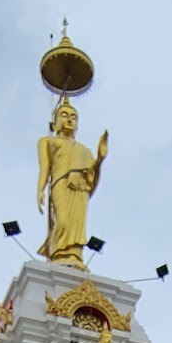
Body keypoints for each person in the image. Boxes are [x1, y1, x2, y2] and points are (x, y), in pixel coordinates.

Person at [37, 99, 108, 268]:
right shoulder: (47, 141)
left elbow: (92, 176)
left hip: (80, 187)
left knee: (76, 225)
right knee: (61, 222)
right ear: (55, 122)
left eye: (73, 117)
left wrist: (100, 158)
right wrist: (40, 189)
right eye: (64, 115)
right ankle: (58, 253)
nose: (69, 119)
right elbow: (45, 167)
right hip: (61, 183)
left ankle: (74, 255)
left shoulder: (84, 150)